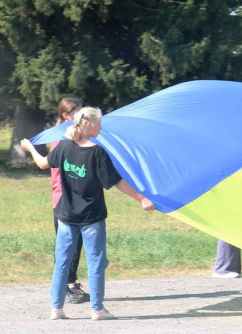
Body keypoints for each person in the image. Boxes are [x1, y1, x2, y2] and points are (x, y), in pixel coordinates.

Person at [20, 107, 155, 320]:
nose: (101, 127)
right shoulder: (97, 152)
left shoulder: (63, 147)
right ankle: (97, 310)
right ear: (89, 124)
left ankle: (56, 309)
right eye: (99, 123)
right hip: (91, 217)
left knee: (62, 262)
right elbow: (116, 182)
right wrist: (142, 199)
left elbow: (42, 163)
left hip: (66, 215)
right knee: (96, 262)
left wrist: (30, 148)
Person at [51, 96, 89, 303]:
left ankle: (71, 283)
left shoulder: (74, 135)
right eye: (78, 110)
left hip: (77, 197)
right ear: (66, 115)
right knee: (67, 245)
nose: (82, 114)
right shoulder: (62, 137)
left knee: (76, 243)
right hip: (64, 198)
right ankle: (64, 288)